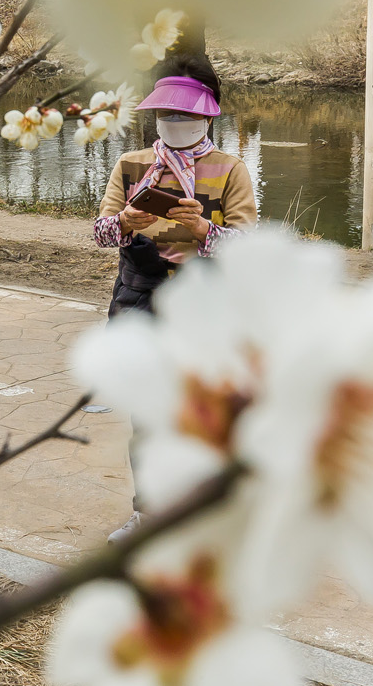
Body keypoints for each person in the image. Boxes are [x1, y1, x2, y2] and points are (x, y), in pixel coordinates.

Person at [90, 50, 257, 537]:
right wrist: (123, 223)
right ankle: (147, 513)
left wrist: (203, 230)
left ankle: (207, 510)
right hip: (139, 301)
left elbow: (245, 245)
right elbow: (100, 233)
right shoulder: (130, 166)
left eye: (184, 114)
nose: (175, 122)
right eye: (166, 113)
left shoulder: (230, 170)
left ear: (207, 113)